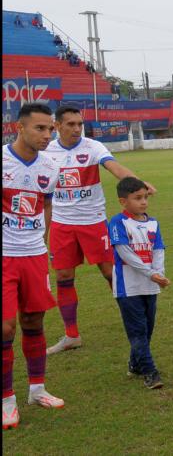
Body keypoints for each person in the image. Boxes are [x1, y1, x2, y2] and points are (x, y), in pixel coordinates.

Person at [44, 105, 156, 355]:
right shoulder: (47, 151)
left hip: (93, 222)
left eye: (79, 124)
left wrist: (136, 184)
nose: (76, 129)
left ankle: (134, 324)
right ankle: (71, 335)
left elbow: (114, 167)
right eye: (70, 124)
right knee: (63, 276)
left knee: (111, 273)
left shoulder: (92, 147)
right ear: (58, 126)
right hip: (62, 224)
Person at [2, 104, 64, 430]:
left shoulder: (50, 166)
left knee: (33, 321)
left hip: (34, 254)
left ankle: (37, 389)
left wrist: (43, 239)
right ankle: (6, 400)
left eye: (50, 129)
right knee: (5, 328)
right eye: (40, 128)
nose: (47, 135)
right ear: (19, 127)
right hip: (4, 256)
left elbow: (47, 203)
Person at [108, 177, 169, 390]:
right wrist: (150, 273)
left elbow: (158, 249)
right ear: (123, 201)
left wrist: (158, 274)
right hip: (128, 287)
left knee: (148, 328)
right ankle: (150, 372)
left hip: (150, 284)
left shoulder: (153, 223)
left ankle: (135, 364)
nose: (143, 202)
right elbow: (125, 253)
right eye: (137, 198)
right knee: (138, 330)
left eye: (145, 197)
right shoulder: (118, 222)